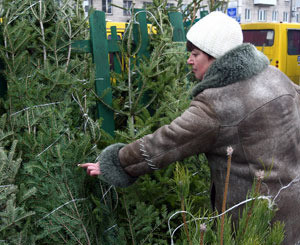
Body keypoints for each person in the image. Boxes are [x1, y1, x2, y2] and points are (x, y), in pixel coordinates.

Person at [79, 11, 300, 244]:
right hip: (294, 206)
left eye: (195, 54)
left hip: (253, 219)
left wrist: (118, 162)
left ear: (216, 57)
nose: (189, 60)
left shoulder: (217, 103)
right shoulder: (276, 77)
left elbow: (166, 142)